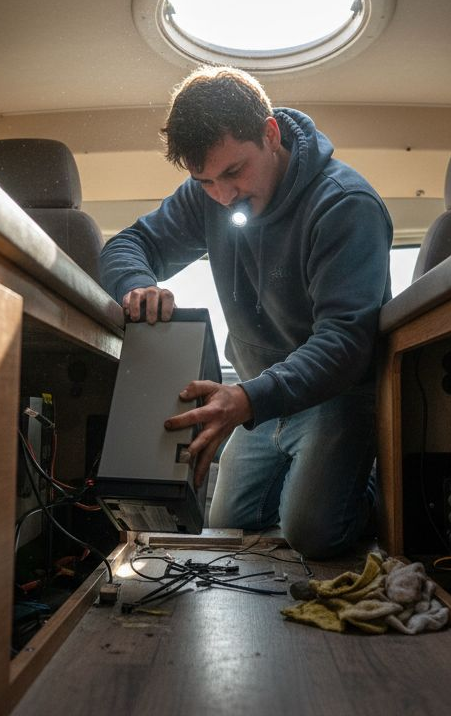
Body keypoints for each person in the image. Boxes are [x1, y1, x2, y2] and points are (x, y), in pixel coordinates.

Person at [98, 66, 392, 558]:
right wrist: (137, 284)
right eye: (205, 180)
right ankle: (310, 485)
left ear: (270, 133)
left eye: (234, 172)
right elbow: (128, 243)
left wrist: (246, 400)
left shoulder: (344, 204)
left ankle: (365, 480)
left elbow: (345, 342)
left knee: (312, 534)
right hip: (257, 398)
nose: (223, 195)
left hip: (334, 394)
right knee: (225, 526)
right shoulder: (209, 194)